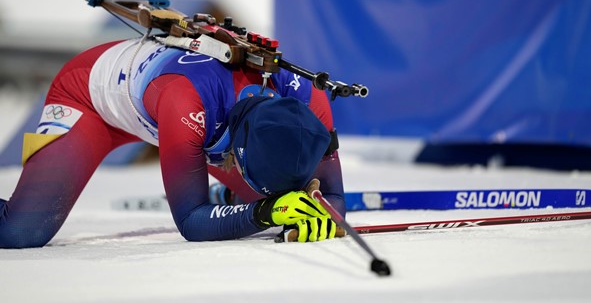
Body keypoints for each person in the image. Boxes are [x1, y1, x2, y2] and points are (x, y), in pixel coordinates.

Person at [0, 35, 345, 248]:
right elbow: (192, 221)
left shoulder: (310, 98)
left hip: (172, 106)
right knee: (22, 231)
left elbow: (333, 196)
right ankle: (237, 194)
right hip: (91, 99)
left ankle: (230, 194)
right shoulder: (188, 105)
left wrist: (322, 209)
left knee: (279, 198)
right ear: (235, 152)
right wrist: (265, 212)